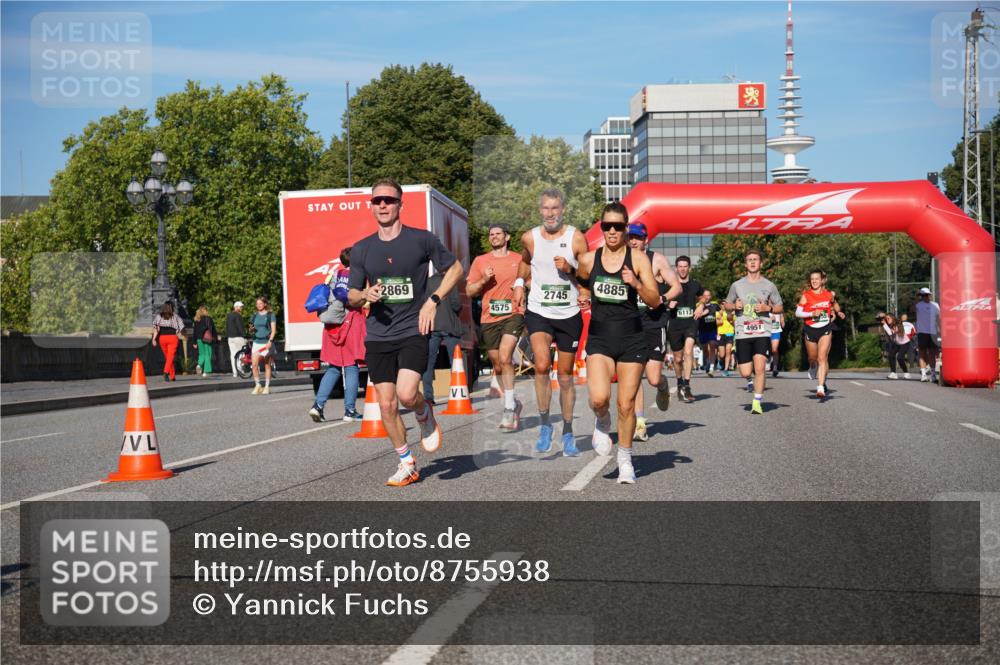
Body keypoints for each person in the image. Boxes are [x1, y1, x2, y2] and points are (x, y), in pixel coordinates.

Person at [348, 178, 464, 487]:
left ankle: (423, 411)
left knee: (407, 394)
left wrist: (433, 301)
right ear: (371, 206)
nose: (383, 205)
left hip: (413, 328)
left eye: (389, 200)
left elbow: (455, 270)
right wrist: (364, 296)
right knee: (386, 405)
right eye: (377, 201)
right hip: (378, 335)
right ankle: (407, 463)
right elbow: (351, 295)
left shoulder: (422, 240)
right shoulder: (361, 249)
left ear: (401, 204)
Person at [577, 203, 662, 484]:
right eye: (607, 226)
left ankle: (625, 460)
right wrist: (581, 293)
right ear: (601, 228)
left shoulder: (638, 259)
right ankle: (602, 421)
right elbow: (579, 281)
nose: (612, 231)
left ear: (626, 228)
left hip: (631, 337)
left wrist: (636, 284)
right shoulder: (590, 260)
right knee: (599, 398)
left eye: (618, 226)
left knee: (626, 405)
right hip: (600, 337)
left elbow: (654, 300)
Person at [511, 188, 589, 456]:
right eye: (546, 208)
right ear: (540, 209)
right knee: (542, 365)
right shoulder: (530, 238)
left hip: (568, 314)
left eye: (555, 208)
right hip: (539, 311)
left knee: (565, 377)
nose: (550, 213)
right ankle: (545, 423)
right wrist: (520, 284)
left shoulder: (576, 238)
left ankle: (567, 430)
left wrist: (572, 271)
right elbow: (524, 262)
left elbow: (588, 275)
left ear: (563, 209)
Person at [626, 222, 682, 442]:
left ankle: (663, 385)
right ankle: (640, 423)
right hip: (630, 324)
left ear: (645, 239)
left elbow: (677, 286)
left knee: (653, 377)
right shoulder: (622, 261)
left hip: (654, 323)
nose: (633, 241)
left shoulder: (656, 259)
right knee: (634, 375)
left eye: (637, 238)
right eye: (630, 237)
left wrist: (662, 298)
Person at [467, 223, 525, 430]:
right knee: (497, 364)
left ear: (507, 237)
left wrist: (521, 286)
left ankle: (509, 407)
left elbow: (531, 281)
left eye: (498, 234)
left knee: (505, 356)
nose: (494, 237)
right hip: (489, 317)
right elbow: (470, 291)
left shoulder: (519, 259)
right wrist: (484, 279)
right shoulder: (481, 261)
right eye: (491, 234)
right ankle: (514, 402)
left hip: (514, 314)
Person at [724, 249, 784, 415]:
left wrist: (768, 308)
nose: (752, 262)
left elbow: (780, 307)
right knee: (745, 371)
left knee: (760, 368)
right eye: (749, 260)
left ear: (761, 263)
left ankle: (757, 401)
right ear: (745, 264)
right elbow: (726, 304)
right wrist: (733, 306)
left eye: (755, 260)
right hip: (743, 333)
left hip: (762, 331)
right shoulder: (737, 285)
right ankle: (750, 381)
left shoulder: (769, 285)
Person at [309, 248, 365, 422]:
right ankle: (349, 411)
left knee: (333, 367)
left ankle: (318, 405)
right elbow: (361, 300)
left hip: (332, 326)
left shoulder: (333, 275)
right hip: (351, 324)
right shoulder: (357, 277)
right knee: (351, 367)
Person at [795, 269, 845, 398]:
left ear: (822, 280)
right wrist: (811, 313)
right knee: (813, 358)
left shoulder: (829, 294)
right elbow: (798, 313)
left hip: (825, 328)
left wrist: (839, 312)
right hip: (810, 329)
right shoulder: (806, 295)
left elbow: (834, 303)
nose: (814, 281)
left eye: (817, 279)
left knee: (822, 358)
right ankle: (812, 366)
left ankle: (820, 387)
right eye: (812, 279)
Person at [421, 271, 463, 406]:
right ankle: (457, 394)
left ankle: (428, 397)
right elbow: (456, 304)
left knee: (428, 363)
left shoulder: (427, 282)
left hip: (432, 327)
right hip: (450, 327)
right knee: (455, 363)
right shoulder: (450, 282)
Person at [667, 255, 703, 403]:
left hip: (690, 323)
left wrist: (700, 306)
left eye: (685, 266)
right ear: (676, 268)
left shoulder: (695, 284)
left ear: (689, 268)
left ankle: (687, 385)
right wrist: (668, 305)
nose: (682, 269)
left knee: (688, 351)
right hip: (675, 324)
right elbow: (660, 299)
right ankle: (679, 381)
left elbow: (702, 297)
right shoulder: (671, 285)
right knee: (677, 358)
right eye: (680, 266)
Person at [250, 296, 277, 395]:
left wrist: (270, 341)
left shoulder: (270, 315)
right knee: (254, 364)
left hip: (266, 343)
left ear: (265, 304)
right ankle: (258, 385)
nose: (258, 305)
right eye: (257, 304)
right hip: (257, 342)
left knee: (267, 365)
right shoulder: (254, 315)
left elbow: (274, 330)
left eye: (260, 303)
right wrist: (251, 329)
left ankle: (267, 386)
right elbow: (251, 327)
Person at [151, 302, 184, 381]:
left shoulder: (159, 316)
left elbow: (156, 329)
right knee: (170, 357)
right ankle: (165, 372)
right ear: (172, 307)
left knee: (168, 358)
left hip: (162, 338)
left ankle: (172, 376)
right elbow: (181, 327)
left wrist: (154, 339)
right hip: (172, 337)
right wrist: (184, 335)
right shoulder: (175, 316)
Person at [915, 287, 941, 383]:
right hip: (922, 332)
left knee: (932, 354)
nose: (927, 296)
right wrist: (917, 297)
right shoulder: (918, 305)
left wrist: (941, 329)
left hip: (933, 332)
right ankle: (923, 374)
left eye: (928, 295)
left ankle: (933, 375)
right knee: (922, 354)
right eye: (924, 295)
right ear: (921, 296)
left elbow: (939, 318)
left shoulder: (935, 305)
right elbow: (911, 309)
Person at [881, 313, 914, 380]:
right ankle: (893, 373)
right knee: (891, 355)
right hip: (897, 343)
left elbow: (891, 333)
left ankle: (906, 373)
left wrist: (884, 324)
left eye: (888, 318)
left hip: (905, 343)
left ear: (892, 318)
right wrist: (883, 318)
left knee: (900, 358)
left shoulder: (898, 324)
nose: (887, 320)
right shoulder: (889, 325)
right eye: (886, 319)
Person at [697, 289, 720, 377]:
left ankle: (711, 367)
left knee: (713, 345)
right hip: (702, 330)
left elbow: (721, 313)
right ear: (702, 297)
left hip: (712, 330)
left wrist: (719, 317)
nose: (707, 297)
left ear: (711, 296)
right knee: (705, 349)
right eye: (705, 295)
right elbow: (695, 316)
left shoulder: (715, 305)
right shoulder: (698, 305)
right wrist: (703, 313)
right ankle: (707, 362)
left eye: (708, 295)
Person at [192, 306, 217, 377]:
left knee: (201, 354)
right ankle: (206, 371)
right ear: (205, 311)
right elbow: (213, 329)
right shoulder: (208, 319)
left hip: (199, 339)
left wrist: (194, 342)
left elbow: (194, 332)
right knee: (208, 354)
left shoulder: (197, 319)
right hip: (207, 339)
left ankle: (199, 365)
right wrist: (215, 338)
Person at [226, 301, 246, 378]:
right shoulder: (238, 316)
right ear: (236, 307)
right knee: (241, 354)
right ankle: (240, 370)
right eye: (240, 307)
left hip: (230, 337)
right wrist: (244, 335)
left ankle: (235, 372)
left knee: (233, 355)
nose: (241, 308)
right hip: (238, 337)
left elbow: (227, 327)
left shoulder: (229, 315)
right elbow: (240, 327)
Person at [716, 306, 735, 376]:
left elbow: (734, 323)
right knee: (721, 355)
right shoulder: (718, 313)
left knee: (728, 351)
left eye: (725, 304)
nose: (724, 306)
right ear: (721, 306)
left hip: (730, 334)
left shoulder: (732, 313)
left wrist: (731, 320)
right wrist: (720, 319)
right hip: (721, 334)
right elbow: (716, 323)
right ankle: (721, 362)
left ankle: (726, 369)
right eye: (723, 304)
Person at [769, 312, 784, 377]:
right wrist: (769, 319)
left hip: (776, 330)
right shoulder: (763, 306)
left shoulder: (779, 308)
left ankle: (775, 368)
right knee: (765, 350)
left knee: (774, 349)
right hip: (765, 331)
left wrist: (783, 322)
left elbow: (782, 319)